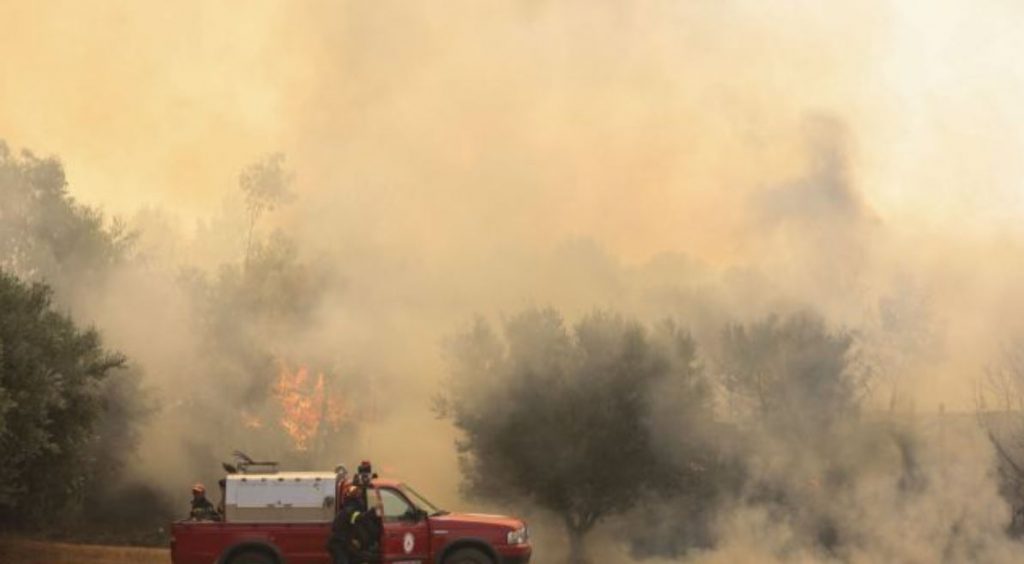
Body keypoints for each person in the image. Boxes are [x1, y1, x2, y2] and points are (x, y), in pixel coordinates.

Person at [327, 485, 381, 564]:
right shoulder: (350, 510)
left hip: (344, 542)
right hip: (338, 544)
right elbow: (360, 518)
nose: (361, 498)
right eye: (359, 495)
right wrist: (373, 510)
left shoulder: (350, 507)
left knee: (356, 558)